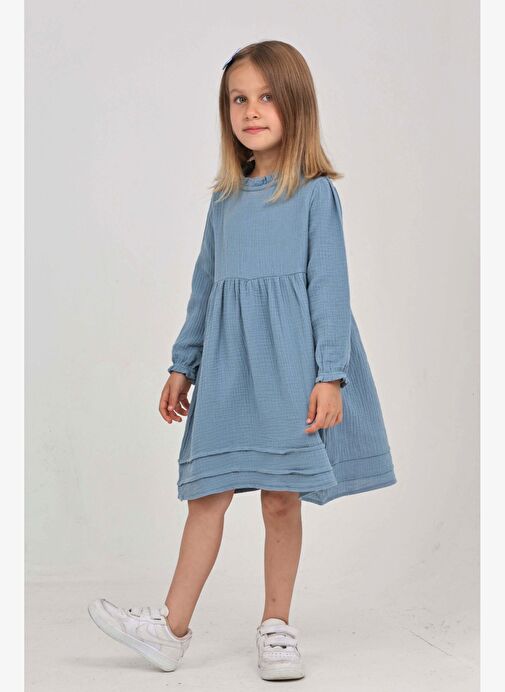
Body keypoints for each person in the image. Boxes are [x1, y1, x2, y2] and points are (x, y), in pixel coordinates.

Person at [88, 40, 398, 681]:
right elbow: (205, 288)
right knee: (207, 494)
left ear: (296, 105)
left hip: (291, 368)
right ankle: (170, 630)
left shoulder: (313, 195)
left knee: (281, 499)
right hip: (231, 371)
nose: (251, 110)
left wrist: (330, 374)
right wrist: (184, 364)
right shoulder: (224, 201)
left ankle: (277, 626)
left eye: (266, 97)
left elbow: (330, 289)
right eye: (238, 99)